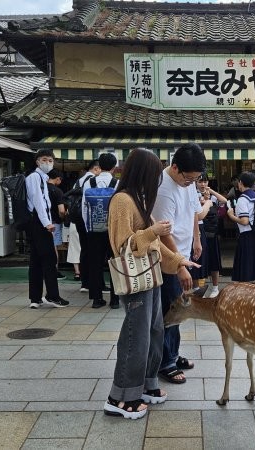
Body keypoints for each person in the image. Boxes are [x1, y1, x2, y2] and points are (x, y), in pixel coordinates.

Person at [104, 148, 199, 420]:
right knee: (137, 336)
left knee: (155, 330)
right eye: (154, 172)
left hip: (151, 277)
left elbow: (155, 246)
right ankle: (121, 397)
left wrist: (180, 261)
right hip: (136, 281)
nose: (158, 178)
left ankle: (146, 384)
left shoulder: (139, 198)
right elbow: (123, 245)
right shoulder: (122, 200)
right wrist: (152, 231)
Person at [152, 143, 206, 384]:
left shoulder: (188, 180)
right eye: (188, 178)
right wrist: (179, 265)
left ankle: (173, 352)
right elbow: (164, 233)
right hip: (168, 258)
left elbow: (194, 210)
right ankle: (166, 362)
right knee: (171, 309)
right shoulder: (163, 189)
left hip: (184, 251)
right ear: (174, 168)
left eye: (195, 179)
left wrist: (197, 238)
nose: (190, 183)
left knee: (179, 307)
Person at [23, 150, 68, 309]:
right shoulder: (35, 177)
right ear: (37, 162)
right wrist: (47, 223)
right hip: (39, 222)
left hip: (36, 222)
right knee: (49, 259)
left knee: (36, 260)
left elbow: (44, 203)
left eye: (50, 160)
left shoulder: (41, 178)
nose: (47, 163)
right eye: (44, 159)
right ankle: (52, 295)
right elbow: (39, 202)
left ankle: (35, 298)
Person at [82, 153, 119, 309]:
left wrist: (88, 227)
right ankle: (115, 300)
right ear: (114, 167)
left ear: (99, 165)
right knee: (114, 263)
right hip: (112, 231)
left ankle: (97, 299)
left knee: (95, 263)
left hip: (93, 229)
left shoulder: (89, 182)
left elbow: (85, 207)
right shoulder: (117, 183)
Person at [226, 171, 255, 286]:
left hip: (248, 237)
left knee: (245, 270)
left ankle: (246, 299)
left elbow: (244, 221)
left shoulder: (242, 199)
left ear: (240, 183)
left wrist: (231, 216)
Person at [73, 160, 101, 290]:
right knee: (94, 252)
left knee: (84, 250)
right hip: (89, 220)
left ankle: (85, 282)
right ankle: (95, 283)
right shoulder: (92, 180)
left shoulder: (79, 180)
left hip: (78, 219)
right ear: (96, 169)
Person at [198, 175, 227, 298]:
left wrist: (211, 192)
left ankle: (215, 288)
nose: (203, 184)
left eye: (205, 181)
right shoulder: (192, 194)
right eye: (200, 181)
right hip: (199, 232)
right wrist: (203, 200)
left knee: (214, 260)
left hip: (212, 233)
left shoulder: (213, 197)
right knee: (199, 260)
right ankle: (198, 288)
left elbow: (224, 201)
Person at [46, 169, 66, 280]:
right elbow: (61, 210)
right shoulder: (57, 191)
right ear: (58, 179)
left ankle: (45, 271)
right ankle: (54, 271)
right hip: (54, 223)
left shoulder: (42, 189)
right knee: (53, 248)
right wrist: (63, 217)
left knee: (45, 247)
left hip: (43, 223)